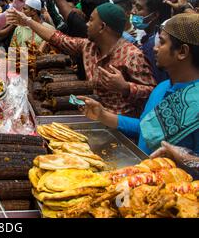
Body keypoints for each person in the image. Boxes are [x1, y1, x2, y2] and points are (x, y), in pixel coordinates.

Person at [7, 2, 156, 117]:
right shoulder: (88, 46)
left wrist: (125, 87)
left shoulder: (132, 56)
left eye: (91, 20)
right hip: (89, 113)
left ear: (102, 27)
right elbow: (57, 38)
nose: (86, 24)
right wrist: (27, 21)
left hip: (118, 124)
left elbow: (153, 94)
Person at [78, 13, 199, 155]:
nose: (155, 48)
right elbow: (145, 129)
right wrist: (103, 115)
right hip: (144, 174)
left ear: (182, 52)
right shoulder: (162, 88)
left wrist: (186, 159)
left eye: (162, 42)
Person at [131, 0, 171, 83]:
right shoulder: (147, 38)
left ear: (154, 15)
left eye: (139, 8)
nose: (133, 11)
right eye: (134, 6)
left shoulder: (154, 45)